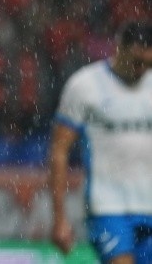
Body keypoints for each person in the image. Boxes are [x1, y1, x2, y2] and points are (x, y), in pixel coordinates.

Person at [48, 21, 152, 264]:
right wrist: (59, 217)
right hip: (107, 205)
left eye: (148, 64)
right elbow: (59, 151)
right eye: (136, 61)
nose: (141, 70)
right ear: (119, 48)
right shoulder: (85, 86)